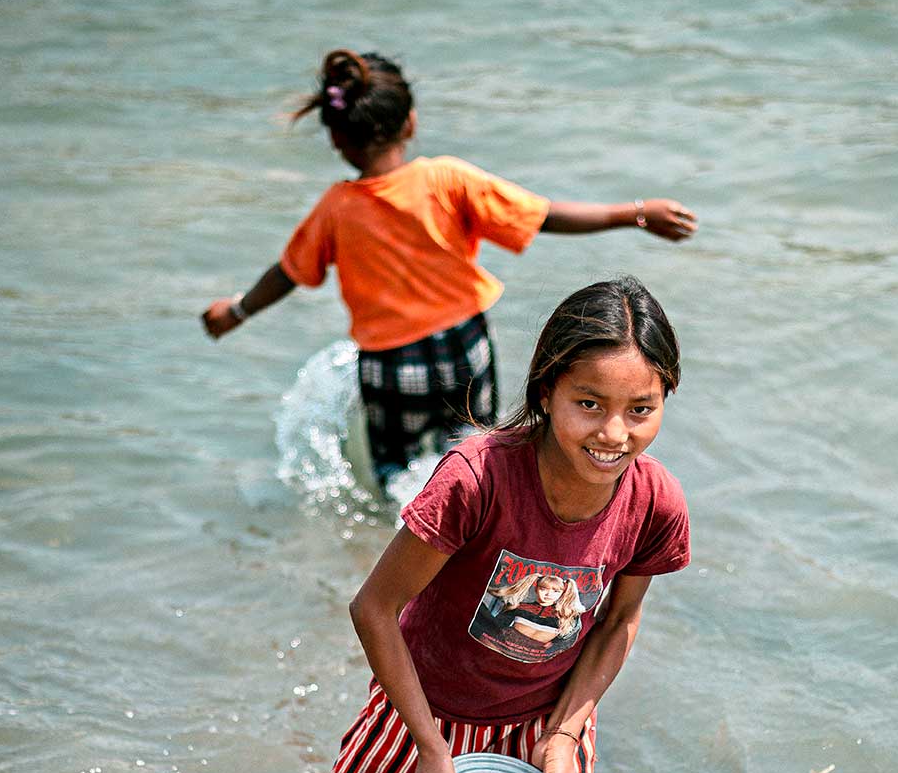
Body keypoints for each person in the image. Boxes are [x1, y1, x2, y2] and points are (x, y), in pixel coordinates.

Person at [287, 276, 691, 773]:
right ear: (545, 393)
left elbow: (620, 622)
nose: (613, 433)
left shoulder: (653, 500)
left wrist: (564, 736)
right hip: (427, 709)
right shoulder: (477, 479)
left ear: (665, 402)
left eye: (641, 410)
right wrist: (426, 743)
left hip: (545, 724)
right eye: (588, 405)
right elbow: (374, 608)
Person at [200, 49, 697, 484]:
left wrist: (237, 312)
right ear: (410, 123)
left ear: (337, 140)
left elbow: (288, 273)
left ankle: (397, 543)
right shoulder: (447, 179)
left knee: (397, 472)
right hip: (465, 349)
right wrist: (634, 213)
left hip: (391, 364)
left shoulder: (336, 207)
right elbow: (543, 215)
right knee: (475, 457)